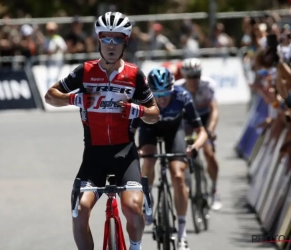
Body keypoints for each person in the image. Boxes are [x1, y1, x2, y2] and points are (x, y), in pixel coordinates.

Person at [44, 12, 160, 250]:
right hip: (94, 156)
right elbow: (50, 97)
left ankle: (135, 247)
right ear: (98, 40)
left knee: (132, 207)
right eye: (105, 39)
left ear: (125, 42)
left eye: (117, 39)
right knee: (79, 210)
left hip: (125, 155)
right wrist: (75, 99)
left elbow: (154, 114)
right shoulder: (84, 72)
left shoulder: (134, 75)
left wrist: (135, 110)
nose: (110, 45)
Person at [134, 67, 208, 250]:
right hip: (149, 130)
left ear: (173, 88)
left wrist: (195, 147)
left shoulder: (182, 96)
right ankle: (148, 201)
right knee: (149, 160)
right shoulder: (141, 99)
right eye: (157, 94)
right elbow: (131, 132)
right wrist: (133, 149)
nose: (162, 99)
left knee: (177, 175)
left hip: (174, 131)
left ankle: (182, 233)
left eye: (166, 93)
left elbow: (202, 132)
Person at [175, 58, 222, 211]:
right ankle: (187, 181)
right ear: (184, 76)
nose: (194, 80)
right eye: (190, 77)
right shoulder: (177, 88)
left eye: (197, 76)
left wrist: (211, 129)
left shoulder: (207, 85)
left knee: (209, 153)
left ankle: (214, 190)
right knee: (185, 152)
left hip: (204, 120)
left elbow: (214, 110)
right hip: (187, 122)